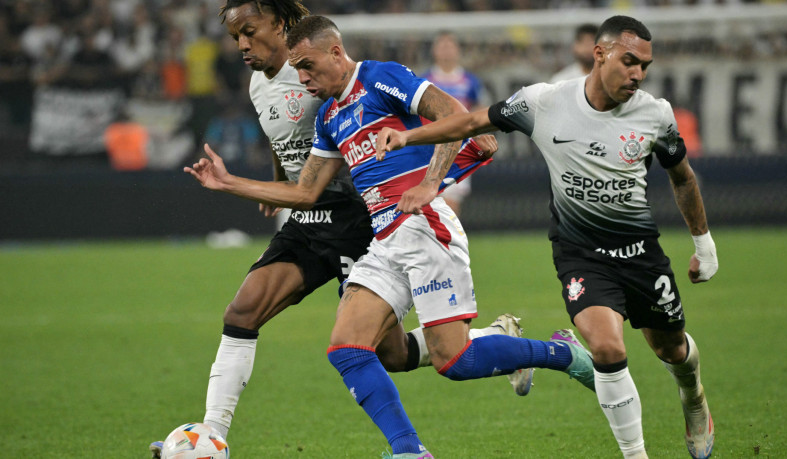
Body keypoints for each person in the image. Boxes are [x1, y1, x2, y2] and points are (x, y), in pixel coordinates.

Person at [184, 15, 595, 458]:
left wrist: (430, 183)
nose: (301, 78)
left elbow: (455, 117)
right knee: (347, 348)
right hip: (383, 238)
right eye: (297, 69)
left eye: (308, 66)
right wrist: (230, 184)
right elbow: (304, 192)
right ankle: (409, 451)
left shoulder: (381, 77)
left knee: (454, 362)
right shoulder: (328, 117)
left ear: (336, 53)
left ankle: (561, 354)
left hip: (425, 228)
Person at [376, 15, 718, 459]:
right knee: (607, 347)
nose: (637, 74)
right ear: (600, 54)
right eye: (629, 61)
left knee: (671, 349)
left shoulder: (656, 115)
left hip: (640, 255)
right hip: (581, 256)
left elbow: (684, 179)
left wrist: (703, 244)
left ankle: (693, 398)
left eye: (644, 66)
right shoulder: (544, 101)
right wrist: (408, 137)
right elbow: (470, 123)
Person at [421, 31, 486, 216]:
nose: (446, 51)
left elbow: (480, 111)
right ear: (434, 51)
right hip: (430, 148)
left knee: (451, 205)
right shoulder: (425, 80)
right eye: (442, 46)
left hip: (460, 147)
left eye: (450, 46)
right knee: (429, 203)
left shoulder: (470, 81)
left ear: (457, 50)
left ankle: (449, 243)